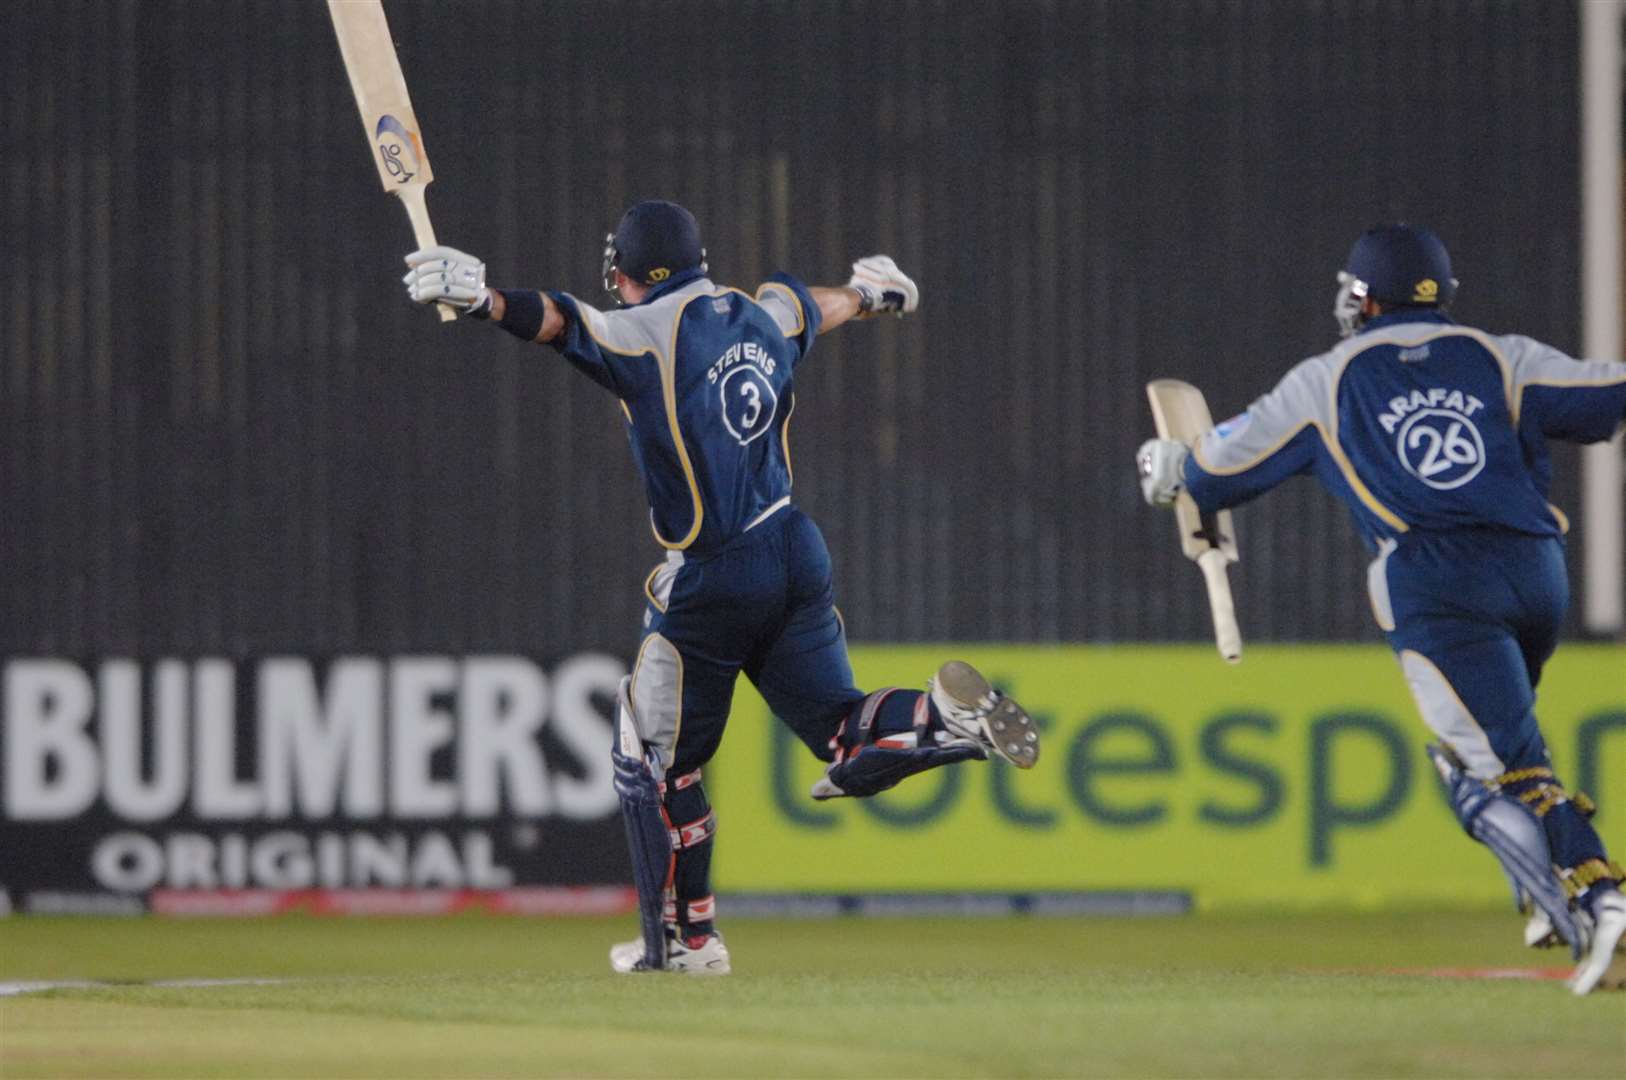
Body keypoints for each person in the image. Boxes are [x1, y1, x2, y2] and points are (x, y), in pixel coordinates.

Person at [401, 200, 1039, 975]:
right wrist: (872, 294)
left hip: (715, 573)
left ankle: (683, 942)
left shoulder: (641, 333)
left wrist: (482, 300)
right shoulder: (756, 315)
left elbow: (562, 323)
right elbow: (816, 307)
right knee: (843, 729)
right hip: (795, 548)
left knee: (654, 760)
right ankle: (939, 718)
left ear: (633, 273)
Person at [1135, 223, 1626, 996]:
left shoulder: (1327, 379)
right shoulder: (1503, 357)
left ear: (1361, 297)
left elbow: (1223, 468)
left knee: (1495, 771)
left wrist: (1173, 469)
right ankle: (1538, 890)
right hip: (1538, 573)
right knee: (1497, 747)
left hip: (1436, 585)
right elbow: (1610, 395)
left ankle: (1599, 897)